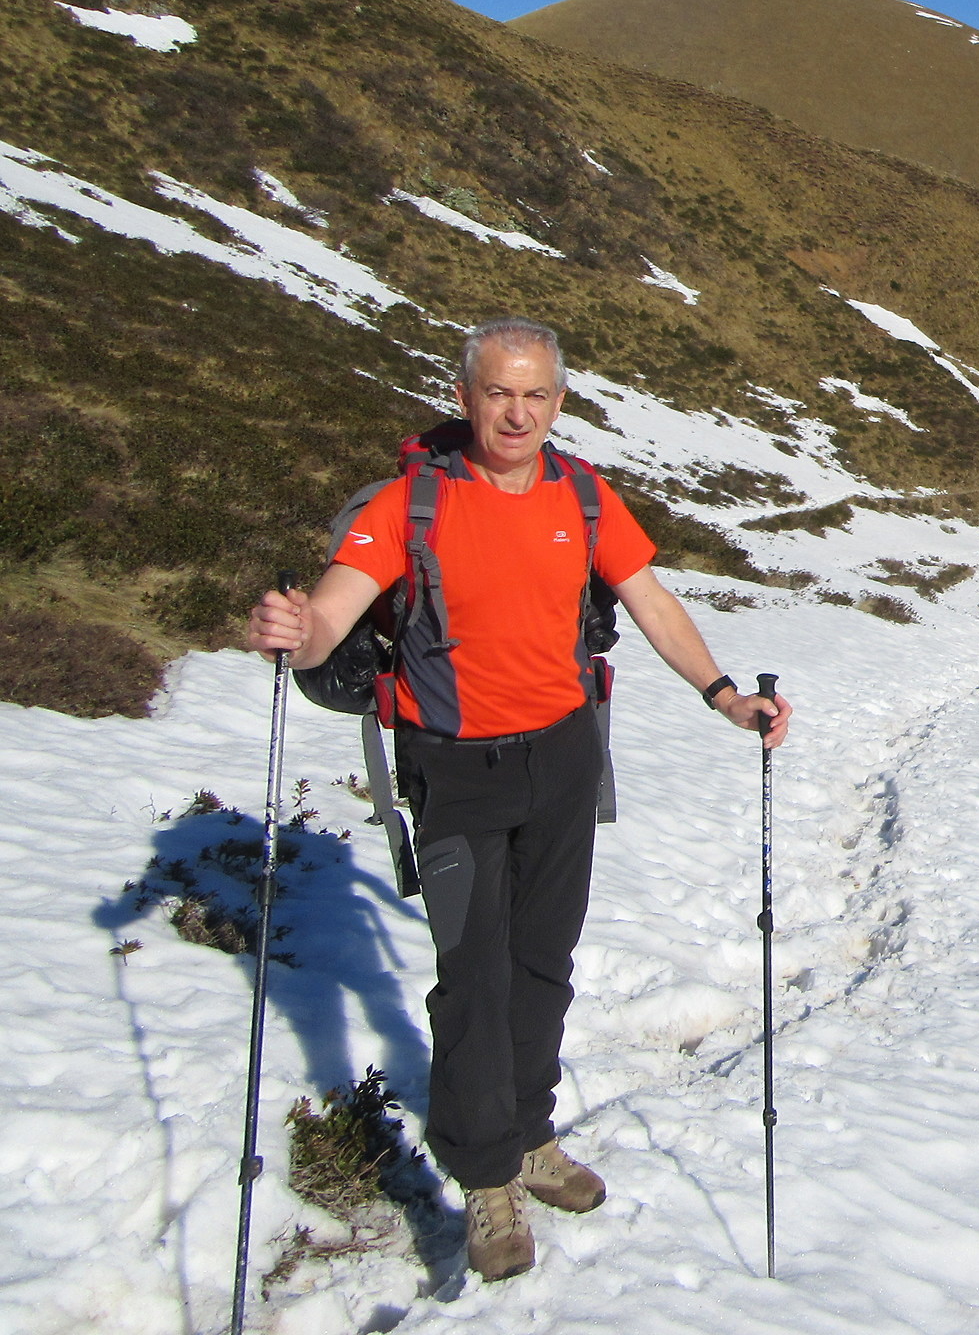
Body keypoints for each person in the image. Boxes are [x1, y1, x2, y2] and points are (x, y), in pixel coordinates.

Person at [245, 316, 790, 1282]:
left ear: (558, 403)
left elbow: (650, 600)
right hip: (452, 769)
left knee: (542, 959)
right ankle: (486, 1173)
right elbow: (333, 607)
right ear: (465, 396)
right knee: (475, 972)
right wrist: (299, 629)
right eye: (499, 392)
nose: (516, 411)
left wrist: (723, 694)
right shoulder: (411, 502)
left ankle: (530, 1130)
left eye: (535, 394)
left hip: (563, 760)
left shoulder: (581, 496)